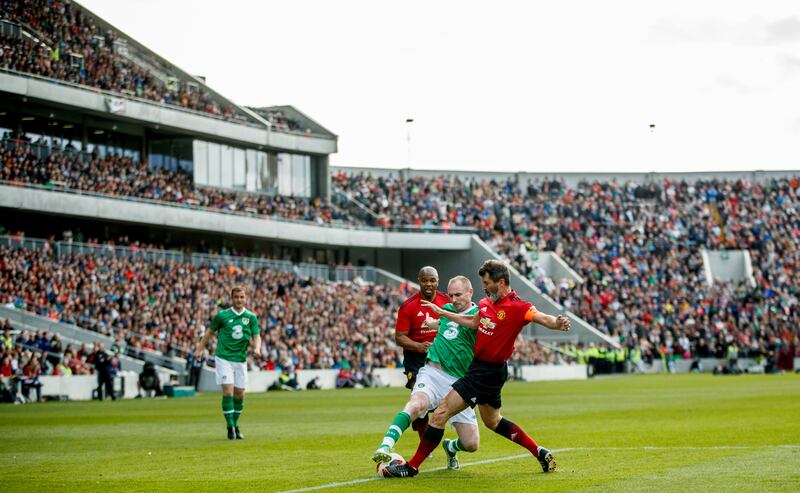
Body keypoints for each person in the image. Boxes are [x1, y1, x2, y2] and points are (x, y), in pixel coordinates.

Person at [385, 260, 571, 478]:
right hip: (489, 371)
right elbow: (472, 322)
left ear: (501, 282)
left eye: (486, 283)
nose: (484, 287)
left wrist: (557, 323)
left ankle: (412, 467)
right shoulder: (484, 304)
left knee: (440, 413)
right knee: (493, 421)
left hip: (484, 372)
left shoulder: (519, 307)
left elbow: (542, 317)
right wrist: (444, 315)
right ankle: (538, 451)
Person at [372, 275, 480, 470]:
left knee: (471, 443)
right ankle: (385, 446)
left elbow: (469, 323)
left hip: (459, 383)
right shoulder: (447, 309)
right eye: (451, 295)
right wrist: (433, 323)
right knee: (416, 404)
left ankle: (451, 446)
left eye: (458, 295)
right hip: (432, 373)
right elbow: (447, 324)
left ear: (470, 292)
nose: (453, 300)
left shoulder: (479, 315)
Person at [195, 286, 261, 440]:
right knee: (228, 392)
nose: (239, 300)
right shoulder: (222, 315)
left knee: (240, 395)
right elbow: (209, 333)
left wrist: (257, 348)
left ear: (245, 298)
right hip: (224, 358)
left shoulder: (251, 317)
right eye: (236, 297)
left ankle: (235, 424)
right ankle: (230, 427)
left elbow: (256, 335)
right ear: (232, 299)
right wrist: (199, 350)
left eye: (242, 297)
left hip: (240, 360)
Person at [394, 266, 450, 440]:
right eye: (425, 280)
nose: (428, 284)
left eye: (432, 280)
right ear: (419, 281)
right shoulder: (408, 306)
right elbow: (399, 337)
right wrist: (419, 346)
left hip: (441, 357)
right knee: (418, 398)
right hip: (416, 359)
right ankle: (424, 442)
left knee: (444, 401)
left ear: (437, 281)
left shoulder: (446, 302)